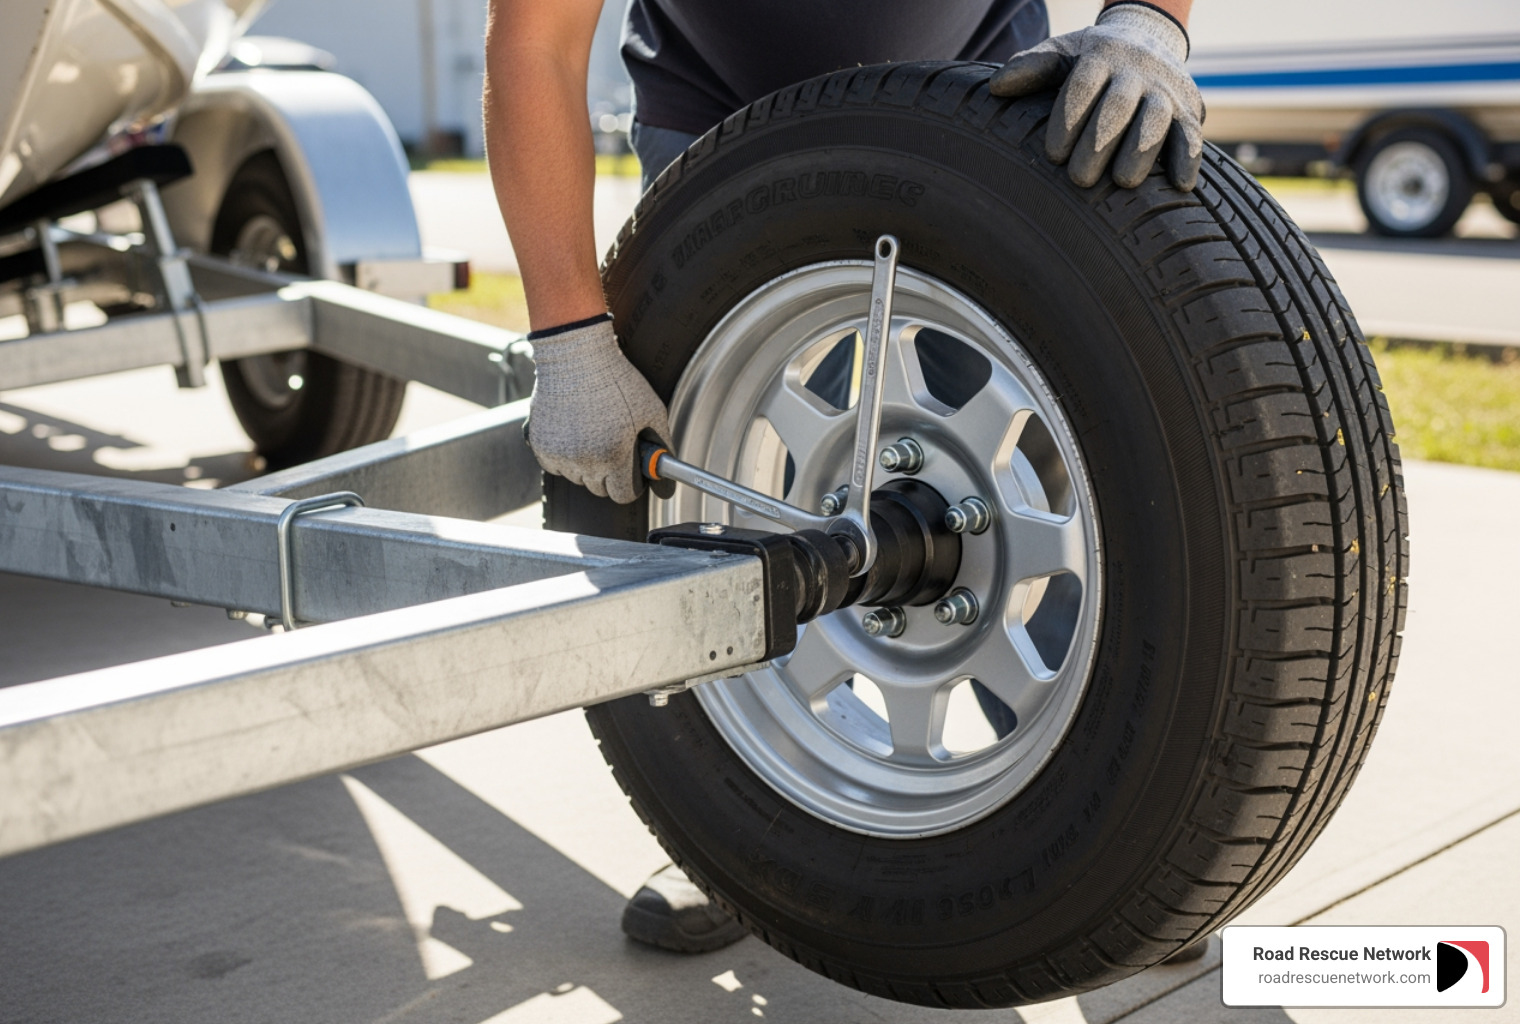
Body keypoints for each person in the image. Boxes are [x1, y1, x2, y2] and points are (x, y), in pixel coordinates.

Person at [483, 0, 1203, 954]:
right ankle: (744, 842)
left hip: (979, 74)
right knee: (726, 472)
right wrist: (570, 339)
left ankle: (1120, 849)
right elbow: (535, 43)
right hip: (715, 100)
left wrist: (1148, 21)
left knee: (1053, 481)